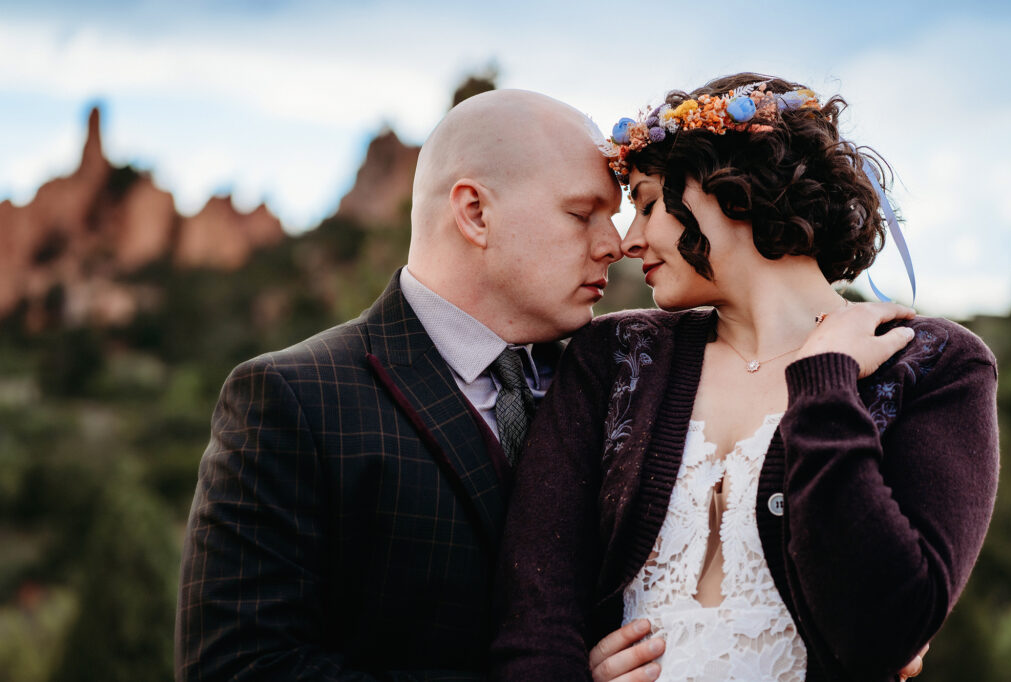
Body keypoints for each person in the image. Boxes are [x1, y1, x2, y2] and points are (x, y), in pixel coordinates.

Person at [491, 74, 999, 681]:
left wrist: (826, 384)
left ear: (736, 188)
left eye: (649, 204)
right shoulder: (614, 354)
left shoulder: (936, 364)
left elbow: (883, 632)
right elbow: (533, 613)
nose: (629, 241)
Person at [174, 88, 668, 680]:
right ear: (475, 214)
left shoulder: (616, 388)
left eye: (611, 217)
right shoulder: (290, 399)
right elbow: (239, 666)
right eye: (581, 213)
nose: (613, 244)